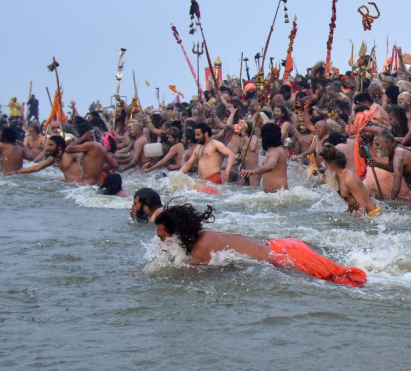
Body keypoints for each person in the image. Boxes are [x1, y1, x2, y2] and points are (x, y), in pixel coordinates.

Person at [154, 203, 367, 287]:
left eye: (163, 237)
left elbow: (179, 274)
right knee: (341, 276)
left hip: (289, 257)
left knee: (350, 279)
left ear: (177, 232)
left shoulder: (200, 248)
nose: (162, 242)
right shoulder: (203, 235)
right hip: (284, 246)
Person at [319, 143, 379, 216]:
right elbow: (352, 202)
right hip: (365, 215)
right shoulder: (340, 177)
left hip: (373, 216)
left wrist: (353, 220)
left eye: (326, 164)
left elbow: (364, 206)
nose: (325, 168)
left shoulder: (349, 178)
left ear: (332, 165)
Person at [240, 123, 288, 193]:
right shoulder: (275, 150)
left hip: (279, 194)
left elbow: (270, 166)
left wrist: (253, 171)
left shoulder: (275, 151)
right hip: (274, 195)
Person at [16, 135, 83, 182]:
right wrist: (18, 172)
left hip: (80, 186)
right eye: (48, 145)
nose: (47, 147)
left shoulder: (69, 154)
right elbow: (37, 167)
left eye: (51, 145)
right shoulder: (53, 158)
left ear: (59, 147)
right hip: (70, 185)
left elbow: (86, 158)